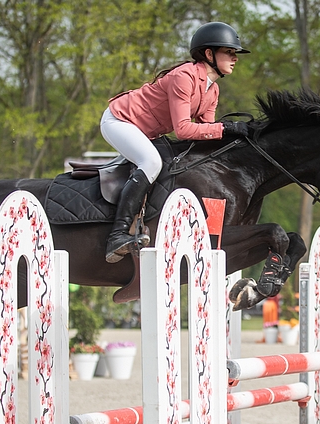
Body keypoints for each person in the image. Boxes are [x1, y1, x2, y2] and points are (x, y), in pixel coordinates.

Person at [100, 21, 251, 263]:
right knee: (151, 162)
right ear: (209, 54)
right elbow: (183, 130)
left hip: (147, 131)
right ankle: (117, 235)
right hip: (120, 120)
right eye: (229, 52)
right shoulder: (185, 76)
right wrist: (227, 127)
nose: (235, 58)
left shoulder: (212, 90)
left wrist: (234, 137)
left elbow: (204, 132)